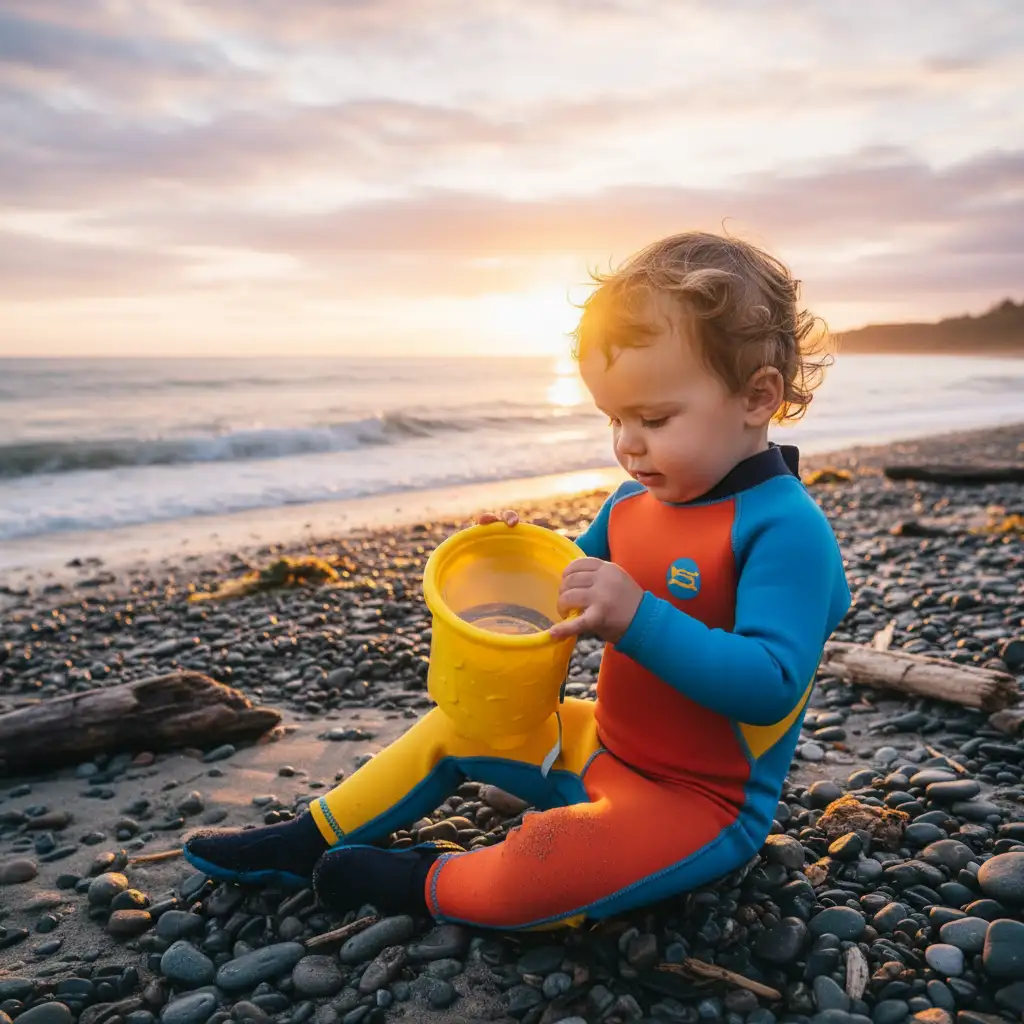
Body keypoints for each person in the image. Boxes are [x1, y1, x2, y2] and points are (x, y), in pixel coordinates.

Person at [184, 231, 851, 930]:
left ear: (758, 396)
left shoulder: (786, 532)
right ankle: (310, 836)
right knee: (458, 726)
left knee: (555, 862)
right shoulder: (630, 504)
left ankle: (425, 880)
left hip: (700, 798)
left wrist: (638, 617)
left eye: (654, 418)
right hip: (599, 743)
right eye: (614, 418)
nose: (627, 442)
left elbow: (770, 683)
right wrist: (505, 552)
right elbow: (555, 591)